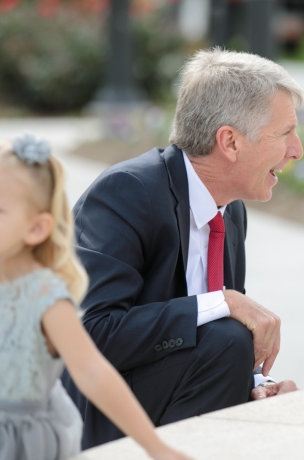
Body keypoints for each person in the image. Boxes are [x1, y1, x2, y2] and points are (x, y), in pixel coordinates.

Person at [62, 48, 302, 449]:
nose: (297, 150)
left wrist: (258, 385)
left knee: (230, 343)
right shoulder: (128, 192)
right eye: (285, 133)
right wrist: (223, 302)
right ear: (229, 142)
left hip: (159, 398)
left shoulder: (231, 209)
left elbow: (201, 344)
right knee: (228, 338)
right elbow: (90, 335)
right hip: (96, 416)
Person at [0, 134, 192, 460]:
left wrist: (155, 446)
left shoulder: (43, 296)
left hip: (25, 442)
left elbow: (92, 373)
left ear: (36, 228)